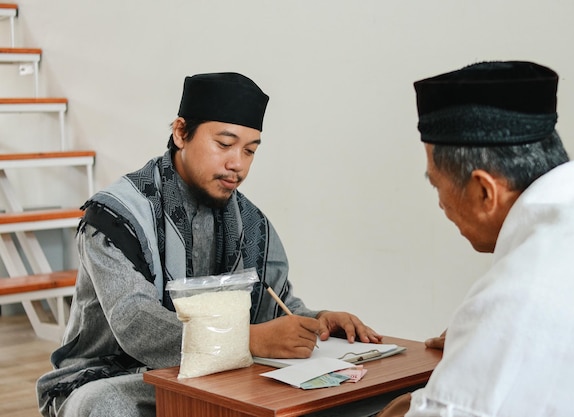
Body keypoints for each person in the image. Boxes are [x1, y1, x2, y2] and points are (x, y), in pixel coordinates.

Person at [36, 72, 382, 417]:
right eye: (224, 144)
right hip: (122, 374)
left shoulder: (251, 222)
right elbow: (136, 325)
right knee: (101, 405)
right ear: (181, 132)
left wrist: (318, 321)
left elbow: (274, 305)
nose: (238, 164)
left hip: (222, 373)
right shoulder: (116, 216)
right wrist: (250, 340)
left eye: (249, 151)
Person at [378, 61, 574, 417]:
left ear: (484, 191)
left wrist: (484, 337)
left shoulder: (513, 297)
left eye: (436, 184)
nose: (441, 205)